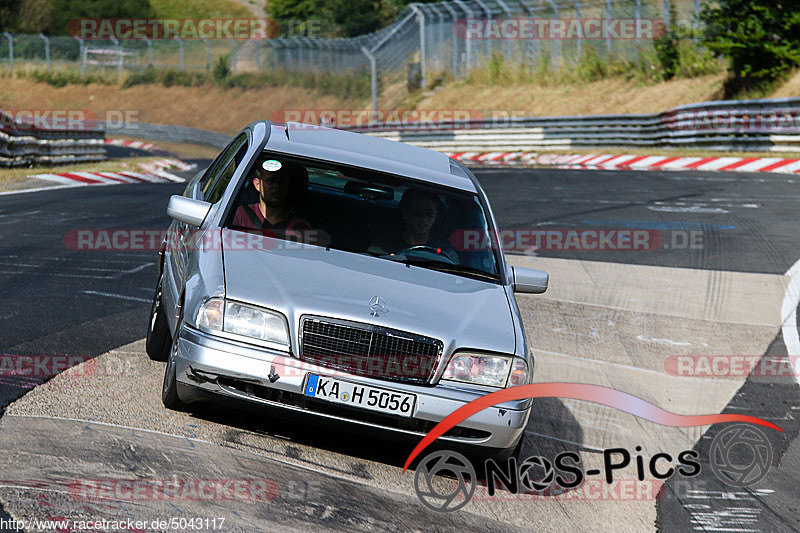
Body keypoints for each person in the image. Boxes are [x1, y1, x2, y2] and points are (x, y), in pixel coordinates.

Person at [368, 188, 458, 263]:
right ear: (405, 213)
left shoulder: (447, 253)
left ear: (436, 216)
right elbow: (372, 265)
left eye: (429, 214)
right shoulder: (383, 244)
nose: (424, 219)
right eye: (418, 213)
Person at [232, 158, 312, 240]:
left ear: (288, 185)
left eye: (282, 181)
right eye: (271, 181)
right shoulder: (241, 214)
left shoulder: (301, 228)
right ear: (257, 184)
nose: (276, 186)